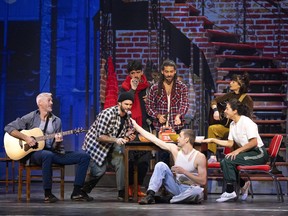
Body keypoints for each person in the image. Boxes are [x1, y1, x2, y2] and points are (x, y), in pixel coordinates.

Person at [4, 92, 92, 203]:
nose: (52, 102)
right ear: (40, 103)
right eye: (49, 100)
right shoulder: (31, 117)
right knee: (47, 154)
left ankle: (77, 192)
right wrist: (26, 138)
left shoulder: (56, 121)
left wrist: (58, 142)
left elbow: (56, 147)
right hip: (34, 154)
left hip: (51, 152)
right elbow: (9, 127)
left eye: (51, 100)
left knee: (84, 156)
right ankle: (48, 194)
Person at [202, 98, 269, 202]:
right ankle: (242, 184)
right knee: (225, 161)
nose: (224, 111)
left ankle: (230, 191)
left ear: (235, 111)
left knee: (229, 160)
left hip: (259, 153)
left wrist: (237, 151)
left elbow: (253, 142)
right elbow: (230, 143)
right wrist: (213, 140)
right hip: (248, 152)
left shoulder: (246, 122)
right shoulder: (233, 124)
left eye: (227, 109)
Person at [131, 118, 207, 205]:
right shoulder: (175, 150)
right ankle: (150, 195)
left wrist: (184, 172)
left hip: (191, 189)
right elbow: (154, 139)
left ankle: (167, 200)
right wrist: (136, 126)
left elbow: (202, 181)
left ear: (186, 139)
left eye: (180, 136)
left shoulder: (199, 157)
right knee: (160, 165)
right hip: (177, 187)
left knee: (197, 192)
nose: (177, 138)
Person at [82, 92, 136, 200]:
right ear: (119, 103)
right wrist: (116, 140)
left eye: (130, 105)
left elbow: (120, 133)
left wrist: (128, 136)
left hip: (112, 145)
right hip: (97, 146)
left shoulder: (127, 117)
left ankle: (122, 193)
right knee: (98, 171)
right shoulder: (107, 114)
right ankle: (82, 191)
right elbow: (100, 136)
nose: (128, 107)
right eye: (126, 104)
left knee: (121, 159)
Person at [145, 59, 189, 166]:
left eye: (171, 72)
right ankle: (163, 181)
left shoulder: (181, 87)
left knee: (178, 158)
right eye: (166, 71)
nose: (169, 74)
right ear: (162, 72)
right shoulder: (155, 88)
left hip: (177, 127)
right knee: (162, 159)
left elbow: (185, 104)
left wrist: (179, 115)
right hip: (161, 128)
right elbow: (149, 106)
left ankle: (178, 181)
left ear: (175, 72)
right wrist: (158, 116)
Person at [120, 59, 151, 197]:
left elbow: (152, 107)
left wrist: (149, 100)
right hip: (129, 127)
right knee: (131, 157)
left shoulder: (148, 87)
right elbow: (126, 106)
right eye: (133, 73)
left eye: (138, 72)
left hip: (143, 126)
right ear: (129, 75)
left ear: (142, 72)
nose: (136, 76)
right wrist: (132, 90)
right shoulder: (125, 88)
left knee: (145, 158)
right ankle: (130, 186)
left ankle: (138, 186)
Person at [207, 73, 253, 162]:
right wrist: (216, 111)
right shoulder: (229, 95)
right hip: (228, 128)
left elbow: (249, 118)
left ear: (240, 85)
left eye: (233, 81)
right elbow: (214, 101)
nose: (230, 83)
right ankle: (213, 156)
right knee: (212, 128)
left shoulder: (247, 99)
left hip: (240, 130)